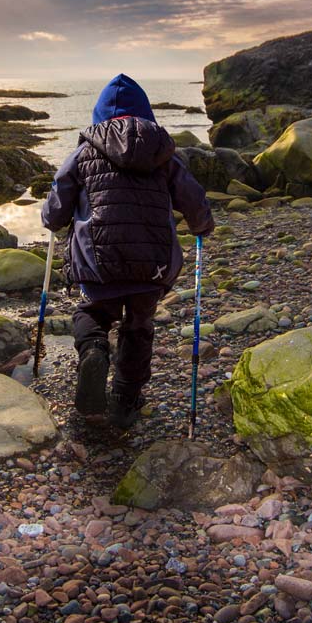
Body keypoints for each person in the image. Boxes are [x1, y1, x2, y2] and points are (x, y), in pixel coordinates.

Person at [41, 74, 214, 428]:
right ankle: (125, 398)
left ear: (99, 114)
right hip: (151, 263)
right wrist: (201, 226)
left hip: (99, 260)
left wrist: (51, 219)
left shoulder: (84, 151)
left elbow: (59, 200)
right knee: (138, 327)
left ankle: (93, 350)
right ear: (146, 113)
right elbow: (192, 197)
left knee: (93, 312)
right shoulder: (163, 152)